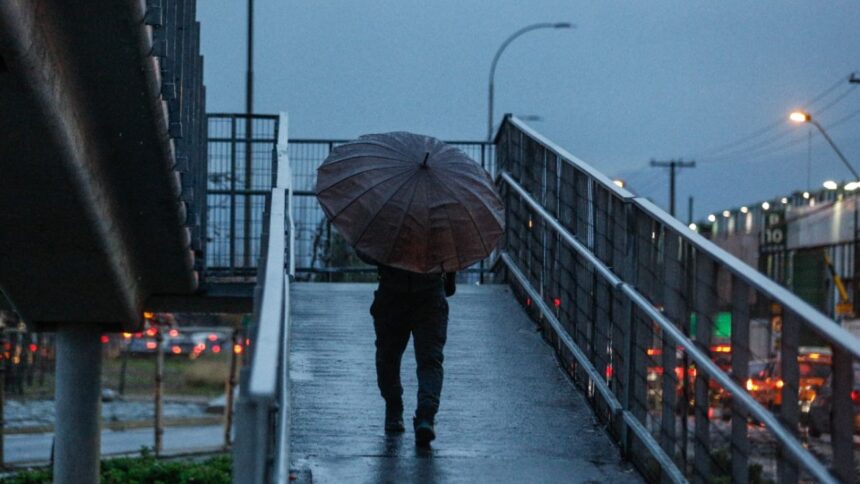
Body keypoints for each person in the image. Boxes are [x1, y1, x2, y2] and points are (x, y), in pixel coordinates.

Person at [367, 259, 456, 446]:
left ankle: (395, 409)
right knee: (429, 361)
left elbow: (367, 252)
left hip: (393, 291)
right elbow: (451, 258)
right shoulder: (438, 230)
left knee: (388, 357)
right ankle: (425, 416)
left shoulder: (388, 229)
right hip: (429, 294)